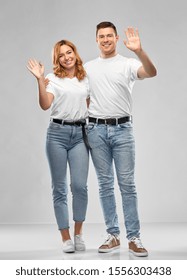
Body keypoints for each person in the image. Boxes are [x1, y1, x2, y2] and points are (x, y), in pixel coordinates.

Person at [84, 21, 157, 257]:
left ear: (116, 39)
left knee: (127, 185)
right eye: (101, 36)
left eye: (109, 36)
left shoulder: (128, 64)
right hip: (95, 130)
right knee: (105, 185)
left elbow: (151, 72)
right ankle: (113, 235)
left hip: (123, 129)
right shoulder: (88, 68)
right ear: (96, 39)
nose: (105, 39)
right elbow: (82, 96)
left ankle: (134, 238)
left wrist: (139, 50)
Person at [27, 40, 90, 253]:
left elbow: (91, 107)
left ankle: (79, 233)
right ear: (57, 59)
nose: (66, 57)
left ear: (75, 53)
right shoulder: (52, 79)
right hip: (57, 135)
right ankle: (65, 237)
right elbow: (45, 105)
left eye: (69, 52)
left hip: (80, 135)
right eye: (61, 55)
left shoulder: (85, 79)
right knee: (60, 188)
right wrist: (39, 81)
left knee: (80, 187)